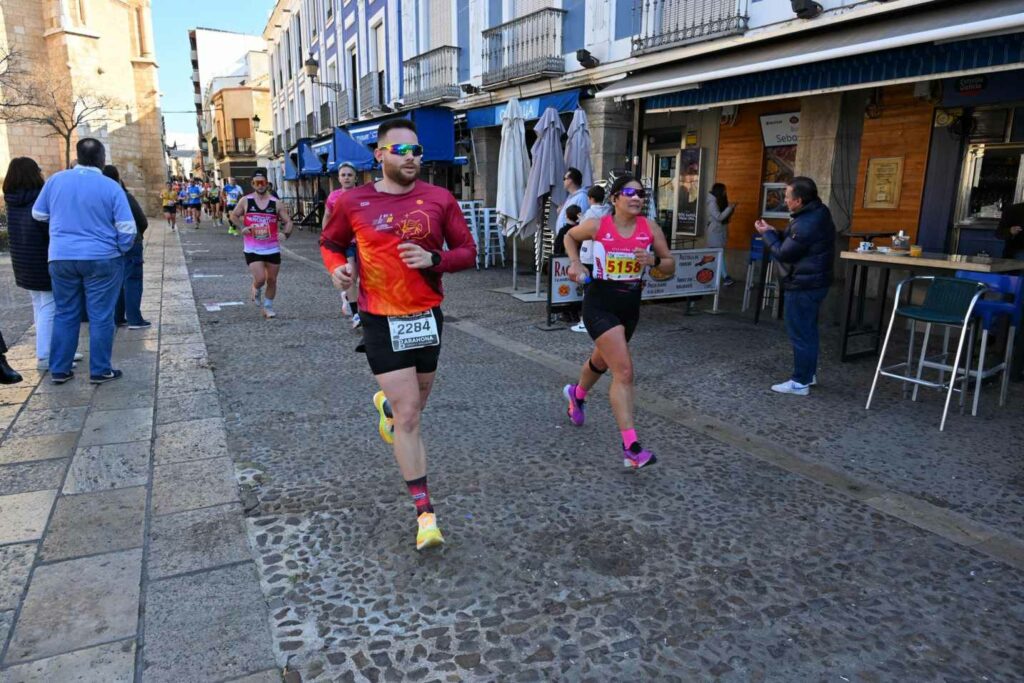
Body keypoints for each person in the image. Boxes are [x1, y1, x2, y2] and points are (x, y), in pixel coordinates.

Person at [320, 119, 476, 551]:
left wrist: (434, 259)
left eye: (418, 151)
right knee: (410, 417)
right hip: (379, 318)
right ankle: (426, 515)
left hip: (425, 316)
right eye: (401, 151)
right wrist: (338, 269)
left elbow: (467, 253)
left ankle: (386, 405)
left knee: (414, 406)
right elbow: (330, 242)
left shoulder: (440, 199)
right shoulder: (354, 201)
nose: (412, 158)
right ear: (380, 155)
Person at [561, 174, 675, 469]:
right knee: (623, 371)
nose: (637, 198)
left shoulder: (650, 229)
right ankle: (631, 448)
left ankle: (577, 393)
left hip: (630, 305)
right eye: (629, 192)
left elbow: (670, 265)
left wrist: (655, 263)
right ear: (614, 199)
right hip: (600, 302)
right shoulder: (599, 225)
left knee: (602, 361)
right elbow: (569, 236)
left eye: (641, 194)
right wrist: (575, 262)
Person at [31, 137, 136, 384]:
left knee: (65, 312)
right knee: (101, 315)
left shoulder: (55, 180)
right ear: (102, 160)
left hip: (61, 257)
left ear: (77, 157)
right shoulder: (110, 186)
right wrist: (120, 248)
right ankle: (99, 369)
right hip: (102, 257)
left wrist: (62, 228)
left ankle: (60, 368)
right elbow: (127, 228)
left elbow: (38, 214)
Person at [754, 176, 835, 396]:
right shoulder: (817, 212)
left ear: (798, 200)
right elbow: (793, 239)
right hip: (814, 281)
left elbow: (784, 252)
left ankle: (800, 382)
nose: (785, 201)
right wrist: (774, 231)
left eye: (788, 197)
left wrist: (767, 235)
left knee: (800, 332)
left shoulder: (807, 222)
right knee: (808, 331)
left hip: (804, 284)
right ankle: (808, 374)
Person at [4, 157, 84, 371]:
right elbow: (48, 231)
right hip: (40, 260)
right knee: (50, 307)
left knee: (40, 307)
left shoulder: (12, 200)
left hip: (23, 262)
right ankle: (47, 354)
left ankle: (52, 350)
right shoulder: (38, 199)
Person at [228, 169, 293, 319]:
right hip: (252, 248)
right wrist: (241, 228)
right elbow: (233, 215)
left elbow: (288, 221)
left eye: (263, 182)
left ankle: (268, 307)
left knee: (272, 279)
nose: (260, 185)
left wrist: (286, 234)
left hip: (272, 248)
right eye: (257, 183)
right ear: (252, 184)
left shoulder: (275, 203)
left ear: (267, 184)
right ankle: (256, 287)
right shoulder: (246, 200)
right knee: (260, 279)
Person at [103, 165, 151, 330]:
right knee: (133, 281)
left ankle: (118, 316)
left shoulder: (101, 198)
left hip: (111, 246)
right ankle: (134, 319)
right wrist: (138, 236)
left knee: (118, 281)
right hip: (130, 243)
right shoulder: (124, 196)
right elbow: (142, 220)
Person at [323, 163, 361, 326]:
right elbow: (327, 216)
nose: (346, 177)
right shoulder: (333, 196)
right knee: (351, 277)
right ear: (338, 178)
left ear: (355, 178)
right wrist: (326, 237)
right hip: (346, 242)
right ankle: (356, 314)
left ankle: (347, 295)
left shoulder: (362, 195)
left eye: (349, 175)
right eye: (343, 175)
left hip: (364, 241)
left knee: (361, 278)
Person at [705, 183, 737, 286]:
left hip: (719, 232)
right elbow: (719, 217)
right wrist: (729, 208)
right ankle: (725, 277)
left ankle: (710, 277)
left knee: (716, 255)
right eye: (724, 190)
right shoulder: (712, 202)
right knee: (718, 254)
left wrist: (730, 209)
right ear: (719, 191)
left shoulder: (717, 201)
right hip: (715, 232)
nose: (725, 192)